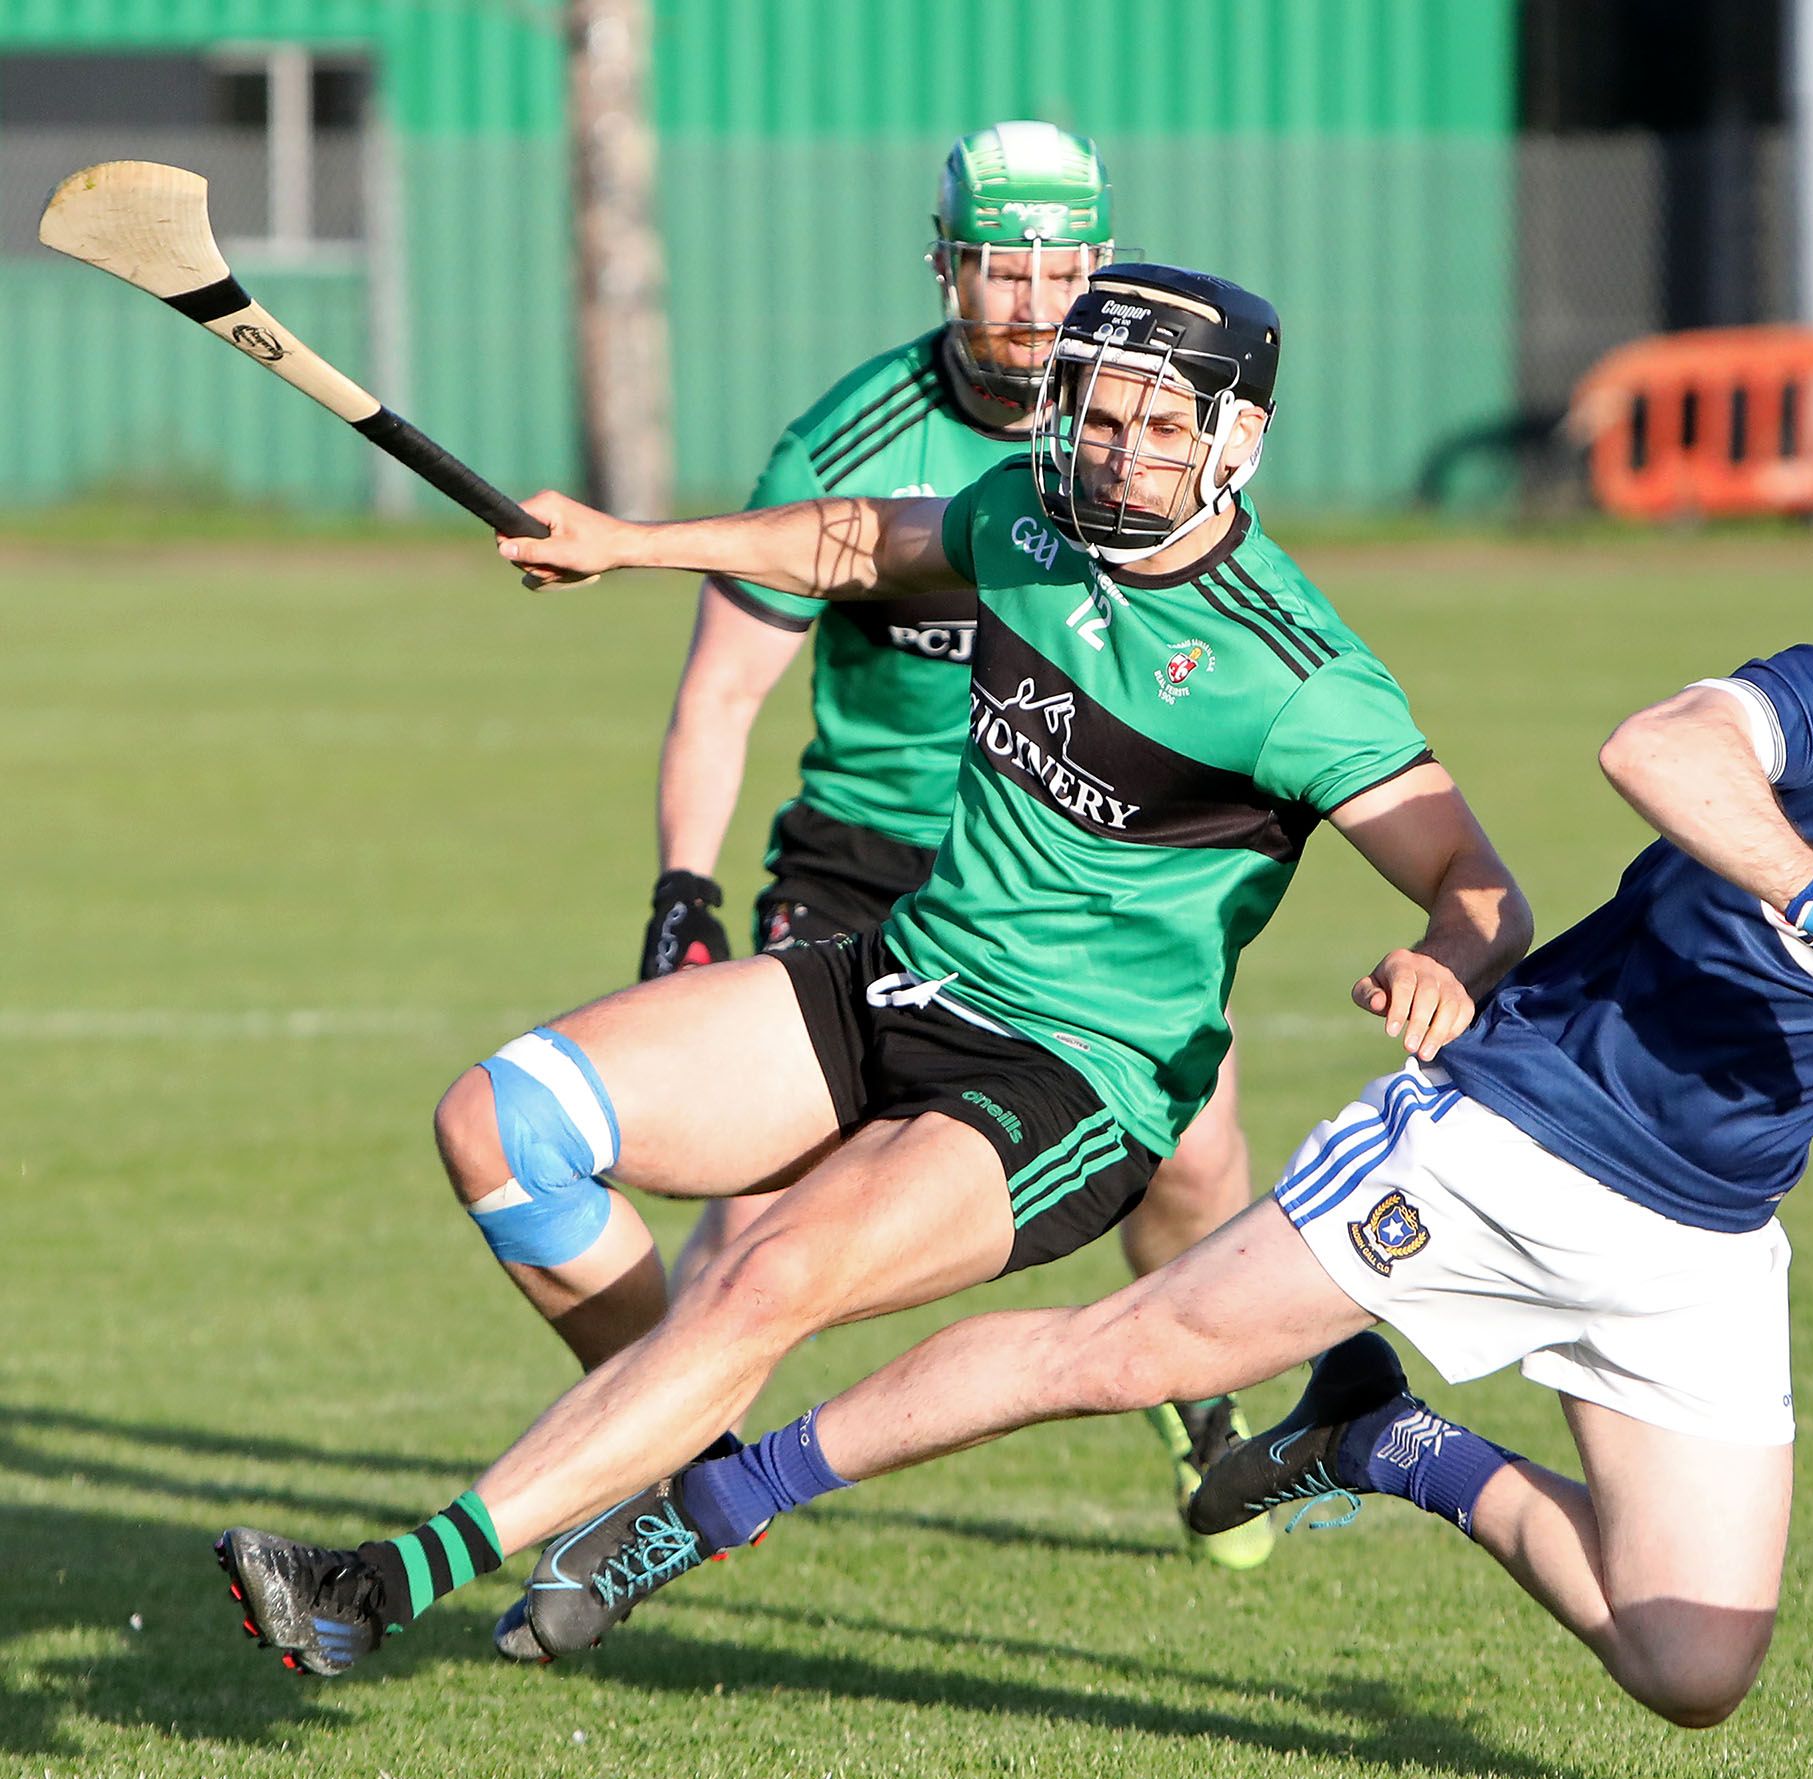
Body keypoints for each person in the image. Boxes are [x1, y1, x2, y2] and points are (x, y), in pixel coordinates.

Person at [325, 613, 1813, 1727]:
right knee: (1121, 1356)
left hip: (1705, 1240)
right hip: (1506, 1136)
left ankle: (1387, 1443)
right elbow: (1656, 749)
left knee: (1692, 1665)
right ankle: (712, 1498)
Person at [214, 262, 1531, 1677]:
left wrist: (1445, 957)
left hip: (1075, 1077)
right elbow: (857, 540)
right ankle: (688, 1449)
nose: (1119, 455)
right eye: (1098, 416)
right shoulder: (1030, 521)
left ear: (1239, 440)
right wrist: (629, 543)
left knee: (762, 1275)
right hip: (904, 971)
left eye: (1162, 426)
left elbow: (1479, 883)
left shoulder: (1300, 677)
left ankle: (378, 1584)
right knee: (502, 1122)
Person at [629, 122, 1270, 1569]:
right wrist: (684, 884)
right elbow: (720, 693)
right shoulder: (845, 442)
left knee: (1197, 1154)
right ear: (944, 269)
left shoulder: (1148, 439)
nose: (1035, 303)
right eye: (1000, 268)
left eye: (1064, 268)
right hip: (870, 860)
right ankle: (652, 1475)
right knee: (754, 1210)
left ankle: (1203, 1405)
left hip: (1073, 862)